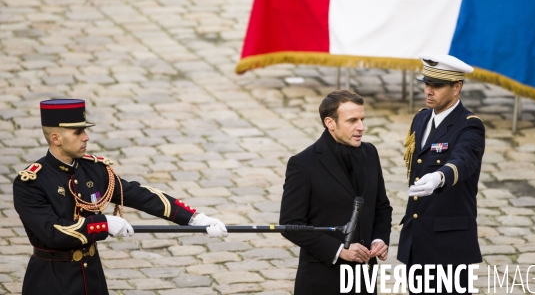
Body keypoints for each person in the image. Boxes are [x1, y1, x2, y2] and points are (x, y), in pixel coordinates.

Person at [13, 99, 228, 295]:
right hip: (50, 281)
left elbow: (139, 195)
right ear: (56, 138)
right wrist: (102, 224)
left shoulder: (93, 170)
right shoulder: (31, 183)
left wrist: (194, 218)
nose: (86, 137)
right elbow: (53, 233)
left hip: (92, 279)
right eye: (78, 132)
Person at [279, 90, 392, 295]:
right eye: (352, 120)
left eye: (362, 119)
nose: (361, 127)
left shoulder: (370, 153)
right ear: (330, 123)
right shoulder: (303, 164)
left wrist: (379, 239)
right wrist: (340, 250)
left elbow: (382, 207)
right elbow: (290, 225)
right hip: (322, 281)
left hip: (364, 281)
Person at [397, 55, 485, 294]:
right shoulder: (422, 118)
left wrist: (439, 176)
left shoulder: (469, 125)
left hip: (449, 241)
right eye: (426, 83)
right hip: (418, 233)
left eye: (437, 85)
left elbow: (464, 159)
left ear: (457, 87)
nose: (428, 90)